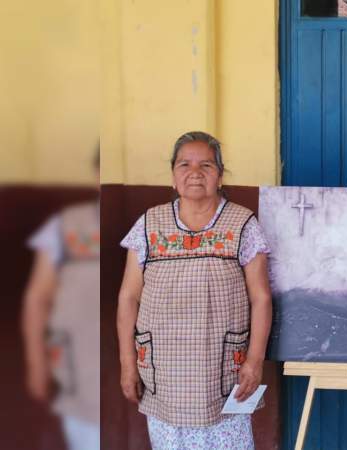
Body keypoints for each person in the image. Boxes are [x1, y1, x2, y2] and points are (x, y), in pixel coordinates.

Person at [116, 131, 272, 449]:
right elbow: (128, 297)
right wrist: (127, 363)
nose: (195, 172)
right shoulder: (149, 224)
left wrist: (254, 361)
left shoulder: (243, 224)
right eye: (184, 164)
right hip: (163, 371)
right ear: (173, 176)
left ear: (220, 175)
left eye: (206, 165)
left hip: (222, 371)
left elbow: (261, 298)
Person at [22, 148, 101, 450]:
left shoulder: (137, 225)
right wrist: (36, 362)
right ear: (95, 176)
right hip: (74, 365)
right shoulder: (66, 224)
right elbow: (38, 297)